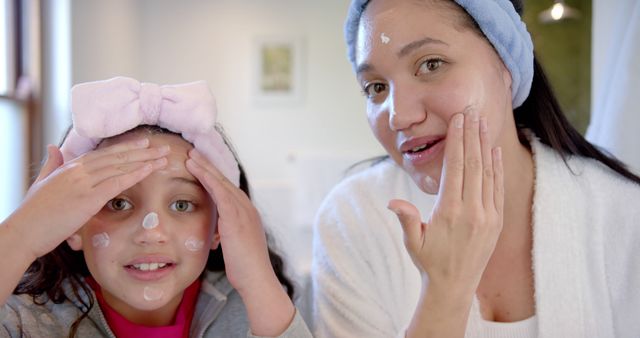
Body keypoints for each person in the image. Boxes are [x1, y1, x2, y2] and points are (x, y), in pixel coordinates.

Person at [311, 0, 640, 337]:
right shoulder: (353, 218)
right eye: (376, 87)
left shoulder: (625, 215)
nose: (399, 116)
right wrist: (444, 292)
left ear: (506, 65)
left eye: (431, 64)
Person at [0, 77, 312, 338]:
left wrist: (259, 280)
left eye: (181, 204)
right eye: (118, 203)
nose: (152, 232)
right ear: (72, 226)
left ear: (221, 225)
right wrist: (21, 235)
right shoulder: (28, 321)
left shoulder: (251, 311)